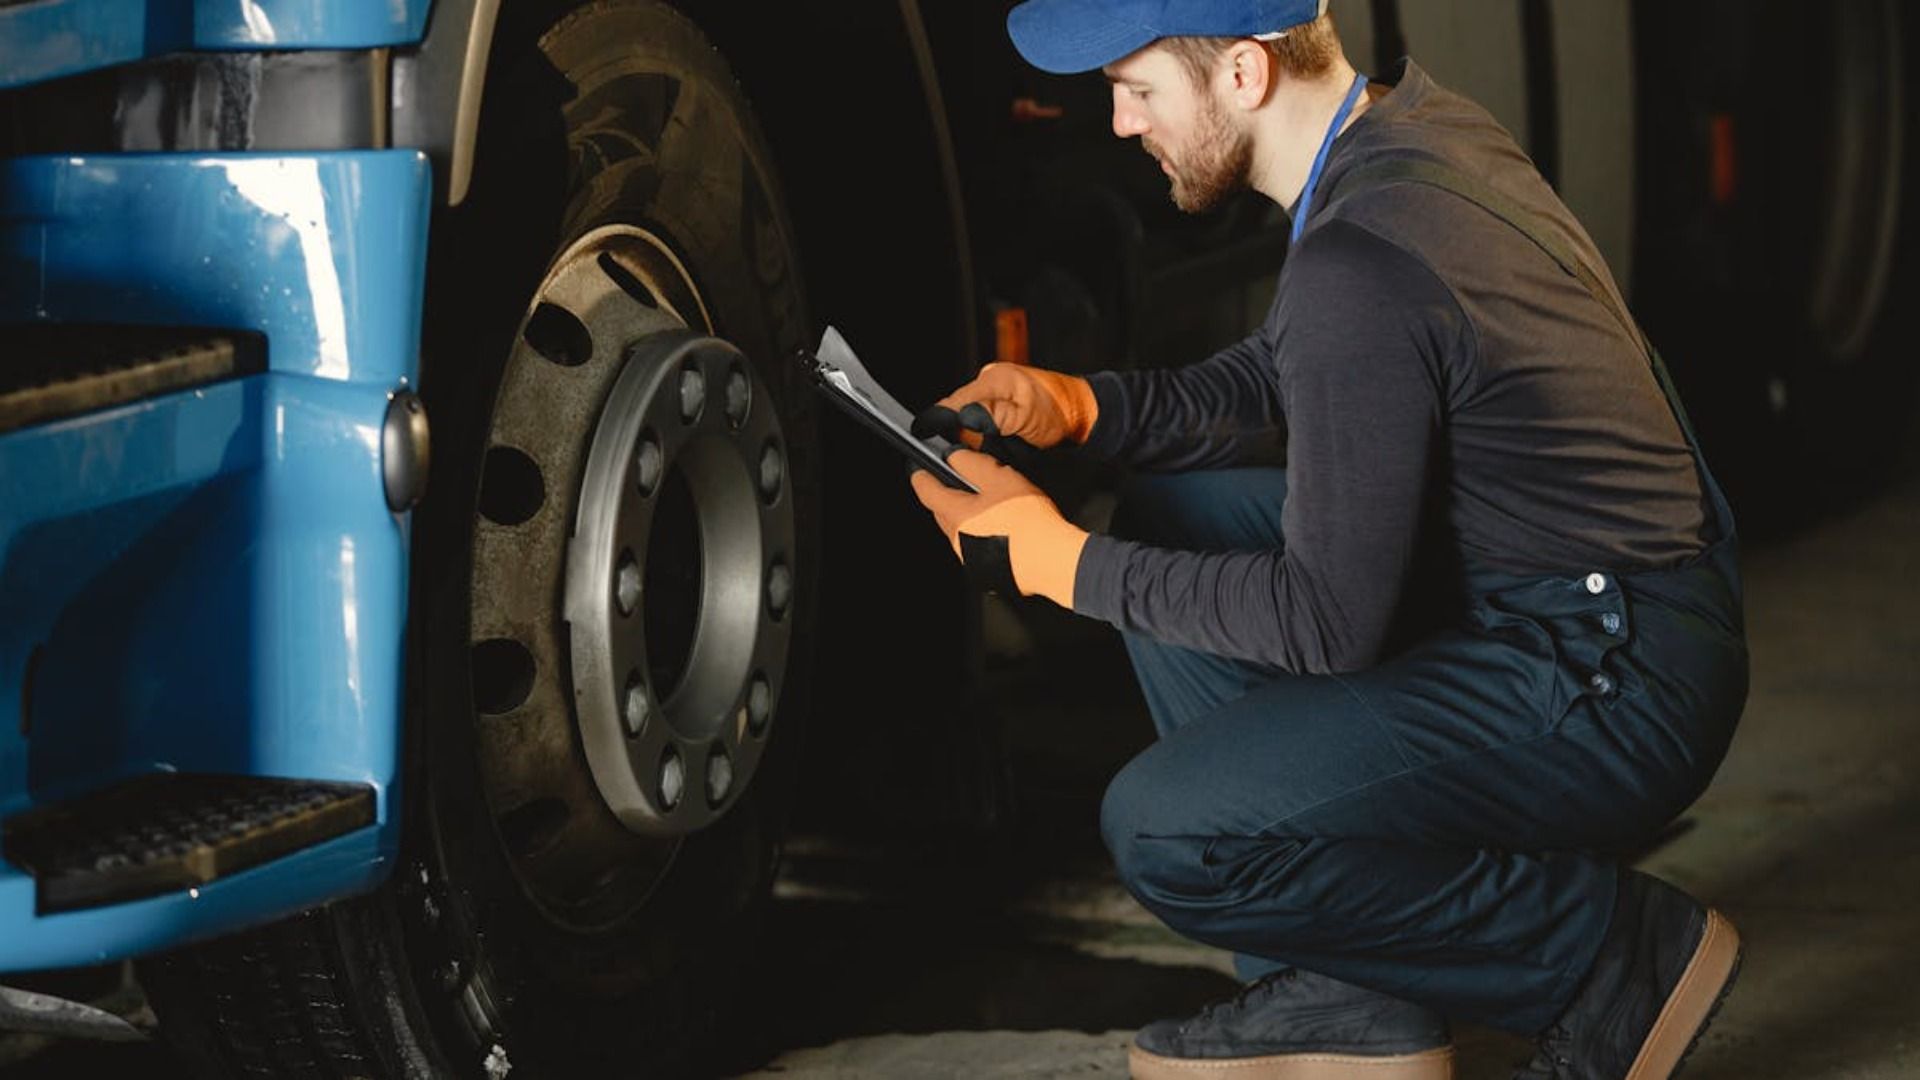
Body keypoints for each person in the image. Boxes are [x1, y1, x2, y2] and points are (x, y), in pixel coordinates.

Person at [906, 2, 1750, 1079]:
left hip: (1612, 674)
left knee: (1168, 831)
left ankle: (1605, 957)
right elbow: (1294, 371)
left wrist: (1053, 558)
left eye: (1137, 88)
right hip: (1604, 602)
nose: (1119, 123)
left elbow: (1326, 621)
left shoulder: (1361, 259)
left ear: (1246, 74)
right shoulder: (1403, 136)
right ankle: (1343, 994)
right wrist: (1081, 407)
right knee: (1176, 510)